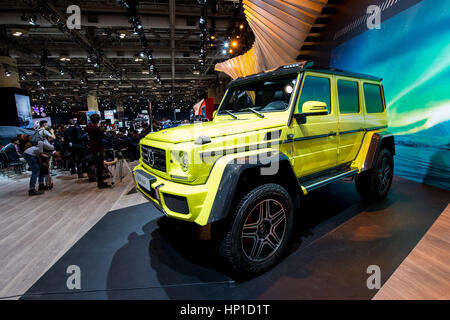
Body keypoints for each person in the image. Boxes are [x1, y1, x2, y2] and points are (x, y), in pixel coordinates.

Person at [87, 114, 110, 189]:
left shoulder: (89, 127)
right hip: (98, 149)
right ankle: (100, 183)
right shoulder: (96, 129)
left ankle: (100, 182)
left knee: (98, 166)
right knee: (99, 166)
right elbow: (103, 136)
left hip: (94, 149)